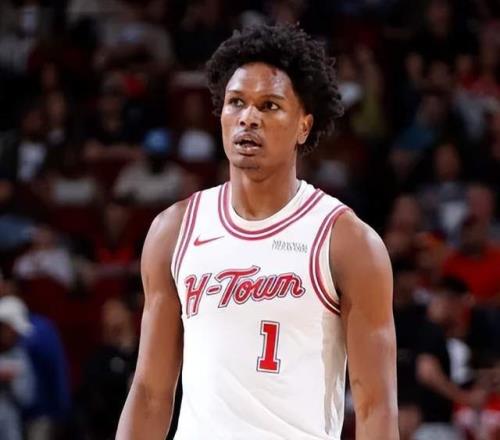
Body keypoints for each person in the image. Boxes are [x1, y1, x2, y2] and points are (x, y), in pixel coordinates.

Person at [117, 24, 398, 440]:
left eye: (269, 106)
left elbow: (375, 405)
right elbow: (149, 393)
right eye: (236, 103)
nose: (248, 118)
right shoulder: (174, 231)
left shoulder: (346, 241)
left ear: (304, 126)